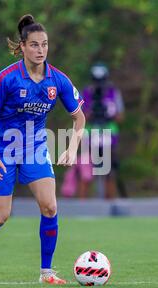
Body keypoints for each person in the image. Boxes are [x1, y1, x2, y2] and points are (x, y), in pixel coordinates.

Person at [0, 14, 86, 285]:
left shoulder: (57, 79)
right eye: (34, 45)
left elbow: (79, 117)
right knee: (1, 216)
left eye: (44, 45)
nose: (40, 50)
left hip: (34, 147)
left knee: (49, 207)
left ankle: (46, 273)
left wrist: (71, 149)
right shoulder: (7, 78)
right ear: (22, 46)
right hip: (2, 148)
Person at [62, 62, 125, 199]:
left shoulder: (113, 92)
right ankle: (83, 204)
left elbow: (120, 116)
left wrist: (110, 114)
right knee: (86, 168)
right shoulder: (86, 92)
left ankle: (110, 202)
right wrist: (89, 114)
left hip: (109, 134)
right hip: (90, 134)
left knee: (110, 169)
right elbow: (77, 114)